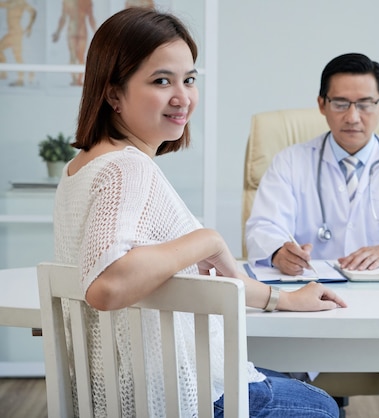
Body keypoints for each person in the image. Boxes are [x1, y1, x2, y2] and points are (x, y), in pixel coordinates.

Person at [53, 7, 346, 418]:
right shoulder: (127, 168)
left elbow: (166, 279)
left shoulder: (80, 168)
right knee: (322, 407)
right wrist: (205, 240)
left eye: (189, 79)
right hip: (167, 395)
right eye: (161, 81)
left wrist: (283, 299)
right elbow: (107, 284)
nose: (183, 97)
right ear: (113, 94)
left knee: (287, 383)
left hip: (119, 388)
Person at [245, 53, 379, 418]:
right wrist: (280, 251)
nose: (353, 116)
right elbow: (262, 228)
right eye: (341, 103)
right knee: (281, 382)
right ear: (322, 105)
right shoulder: (291, 162)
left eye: (365, 104)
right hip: (308, 309)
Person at [51, 0, 96, 86]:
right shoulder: (67, 2)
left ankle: (79, 79)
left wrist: (96, 31)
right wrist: (58, 32)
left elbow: (91, 17)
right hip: (72, 31)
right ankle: (75, 79)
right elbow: (63, 17)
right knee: (73, 55)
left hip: (81, 31)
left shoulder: (86, 1)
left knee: (81, 56)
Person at [0, 0, 36, 86]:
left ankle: (21, 79)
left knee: (18, 57)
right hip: (11, 33)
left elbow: (33, 12)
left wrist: (29, 26)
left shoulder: (20, 2)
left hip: (16, 33)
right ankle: (3, 73)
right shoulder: (11, 2)